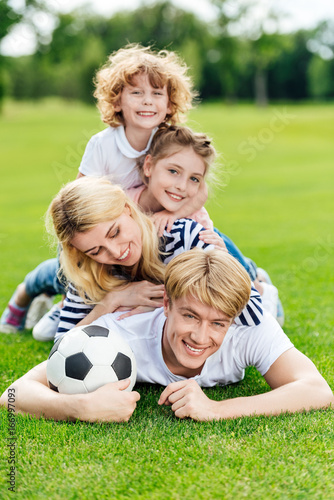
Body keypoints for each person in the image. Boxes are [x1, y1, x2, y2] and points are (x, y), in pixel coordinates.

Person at [0, 44, 199, 337]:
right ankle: (31, 295)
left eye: (157, 94)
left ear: (170, 103)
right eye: (136, 93)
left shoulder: (172, 142)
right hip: (102, 226)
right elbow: (79, 203)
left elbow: (198, 187)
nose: (147, 102)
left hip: (149, 227)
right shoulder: (104, 145)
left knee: (210, 240)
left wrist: (174, 212)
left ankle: (253, 277)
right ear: (117, 100)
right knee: (65, 270)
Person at [1, 249, 332, 422]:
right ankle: (43, 301)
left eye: (218, 323)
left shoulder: (249, 326)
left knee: (270, 303)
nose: (201, 337)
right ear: (166, 303)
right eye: (190, 316)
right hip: (98, 294)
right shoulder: (121, 334)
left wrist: (217, 409)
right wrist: (81, 407)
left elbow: (317, 390)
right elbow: (13, 395)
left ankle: (259, 279)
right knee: (49, 329)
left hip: (259, 296)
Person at [47, 177, 263, 339]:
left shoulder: (185, 238)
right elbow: (60, 348)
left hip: (242, 274)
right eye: (96, 250)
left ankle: (261, 282)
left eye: (115, 232)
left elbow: (253, 315)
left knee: (260, 290)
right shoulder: (88, 267)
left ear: (126, 209)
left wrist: (164, 304)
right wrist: (111, 301)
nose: (115, 252)